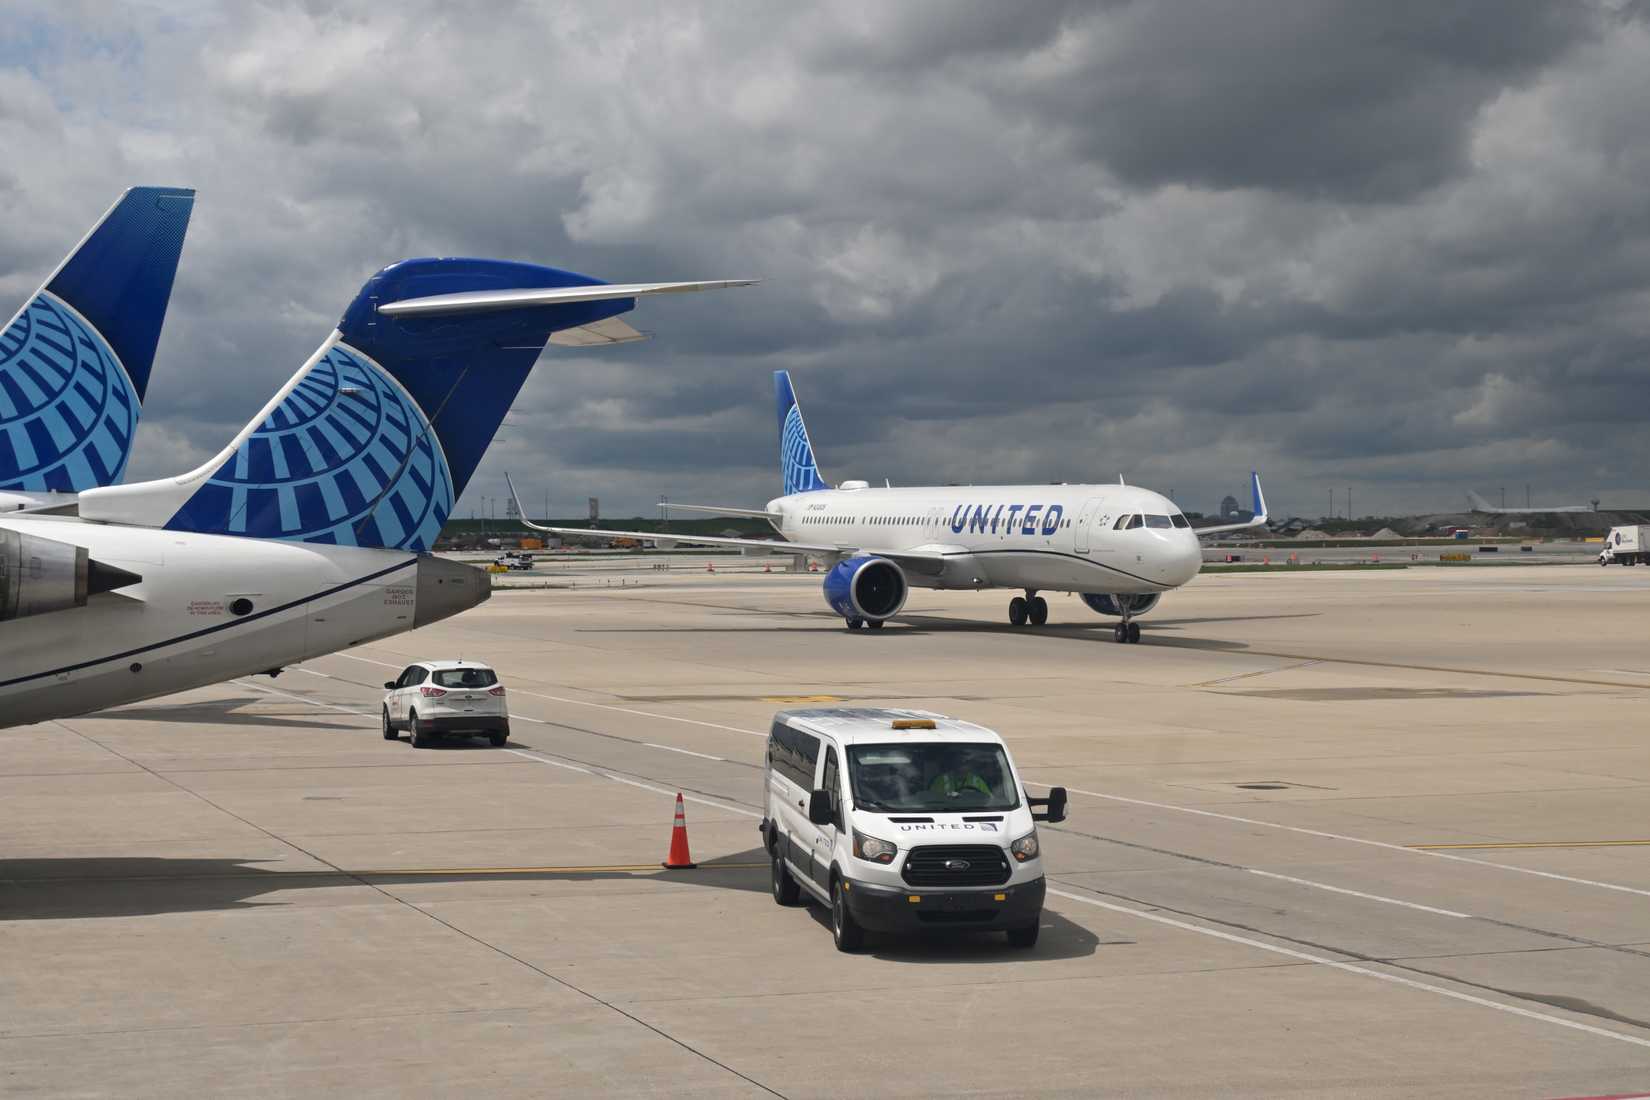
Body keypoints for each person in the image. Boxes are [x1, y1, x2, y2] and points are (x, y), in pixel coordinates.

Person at [928, 754, 993, 799]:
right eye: (960, 763)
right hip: (947, 811)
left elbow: (989, 799)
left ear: (970, 766)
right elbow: (931, 799)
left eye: (965, 763)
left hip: (973, 810)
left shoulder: (976, 781)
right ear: (954, 764)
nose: (962, 767)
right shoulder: (941, 780)